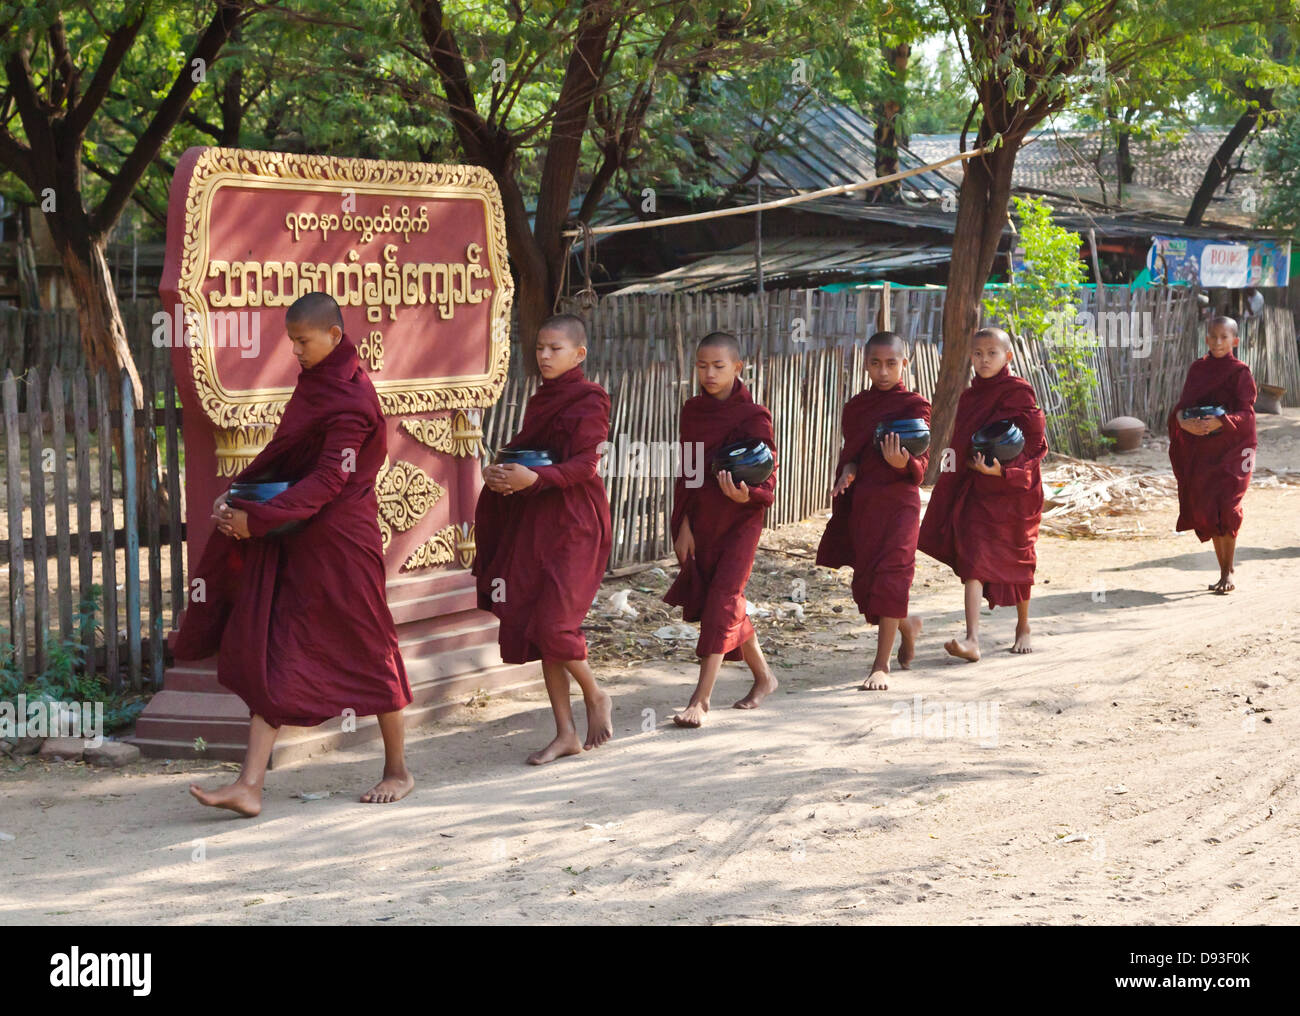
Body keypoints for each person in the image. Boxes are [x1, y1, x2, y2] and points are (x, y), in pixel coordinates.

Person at [177, 292, 413, 816]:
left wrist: (256, 518)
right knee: (278, 645)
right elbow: (285, 450)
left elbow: (331, 478)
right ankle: (249, 785)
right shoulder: (318, 385)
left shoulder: (350, 399)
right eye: (291, 342)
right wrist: (240, 490)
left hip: (342, 541)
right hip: (298, 534)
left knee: (371, 645)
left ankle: (398, 769)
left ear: (333, 335)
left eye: (302, 341)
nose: (296, 352)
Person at [473, 313, 614, 765]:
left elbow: (584, 467)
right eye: (539, 348)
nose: (545, 356)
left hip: (575, 523)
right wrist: (501, 472)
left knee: (556, 624)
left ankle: (595, 694)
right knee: (538, 624)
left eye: (555, 349)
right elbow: (524, 451)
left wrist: (531, 478)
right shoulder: (541, 401)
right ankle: (565, 733)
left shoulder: (590, 400)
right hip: (537, 523)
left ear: (579, 354)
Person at [665, 332, 779, 727]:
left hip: (741, 521)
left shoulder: (753, 416)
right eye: (702, 366)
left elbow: (766, 476)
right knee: (725, 600)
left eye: (718, 366)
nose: (709, 374)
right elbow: (689, 471)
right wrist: (682, 524)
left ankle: (701, 698)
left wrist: (747, 497)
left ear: (737, 368)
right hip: (703, 521)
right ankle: (765, 677)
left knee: (723, 598)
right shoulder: (693, 411)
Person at [918, 326, 1047, 660]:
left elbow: (1036, 445)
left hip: (1015, 491)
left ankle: (1023, 626)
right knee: (973, 558)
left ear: (1008, 356)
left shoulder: (1020, 392)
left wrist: (1005, 471)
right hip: (978, 487)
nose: (984, 359)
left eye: (992, 353)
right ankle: (972, 638)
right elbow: (960, 443)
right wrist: (952, 480)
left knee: (1019, 557)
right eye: (978, 353)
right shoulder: (970, 397)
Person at [816, 331, 930, 689]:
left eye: (891, 364)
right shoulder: (856, 408)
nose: (883, 371)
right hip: (865, 505)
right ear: (865, 365)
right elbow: (854, 455)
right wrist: (847, 473)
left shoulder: (916, 405)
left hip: (900, 504)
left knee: (894, 576)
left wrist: (902, 463)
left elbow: (921, 465)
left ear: (904, 365)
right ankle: (906, 623)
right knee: (867, 584)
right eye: (876, 364)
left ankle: (881, 665)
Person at [1168, 315, 1257, 593]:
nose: (1218, 342)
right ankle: (1223, 570)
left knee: (1228, 507)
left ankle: (1228, 572)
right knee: (1209, 508)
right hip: (1204, 447)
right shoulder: (1198, 369)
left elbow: (1247, 414)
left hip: (1234, 448)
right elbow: (1182, 407)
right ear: (1206, 339)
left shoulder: (1240, 372)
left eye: (1224, 337)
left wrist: (1222, 421)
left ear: (1235, 341)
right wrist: (1183, 422)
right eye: (1213, 337)